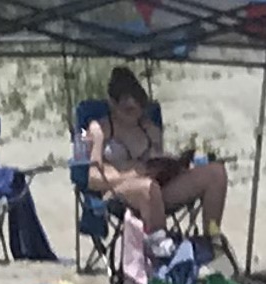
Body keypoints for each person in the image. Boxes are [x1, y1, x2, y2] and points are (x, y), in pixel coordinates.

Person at [83, 69, 226, 245]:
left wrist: (174, 166)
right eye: (127, 109)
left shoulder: (150, 129)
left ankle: (212, 238)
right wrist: (133, 173)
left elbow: (158, 162)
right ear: (113, 103)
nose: (134, 113)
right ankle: (160, 248)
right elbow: (92, 179)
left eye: (139, 108)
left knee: (215, 173)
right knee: (148, 187)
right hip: (117, 194)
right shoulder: (99, 130)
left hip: (157, 189)